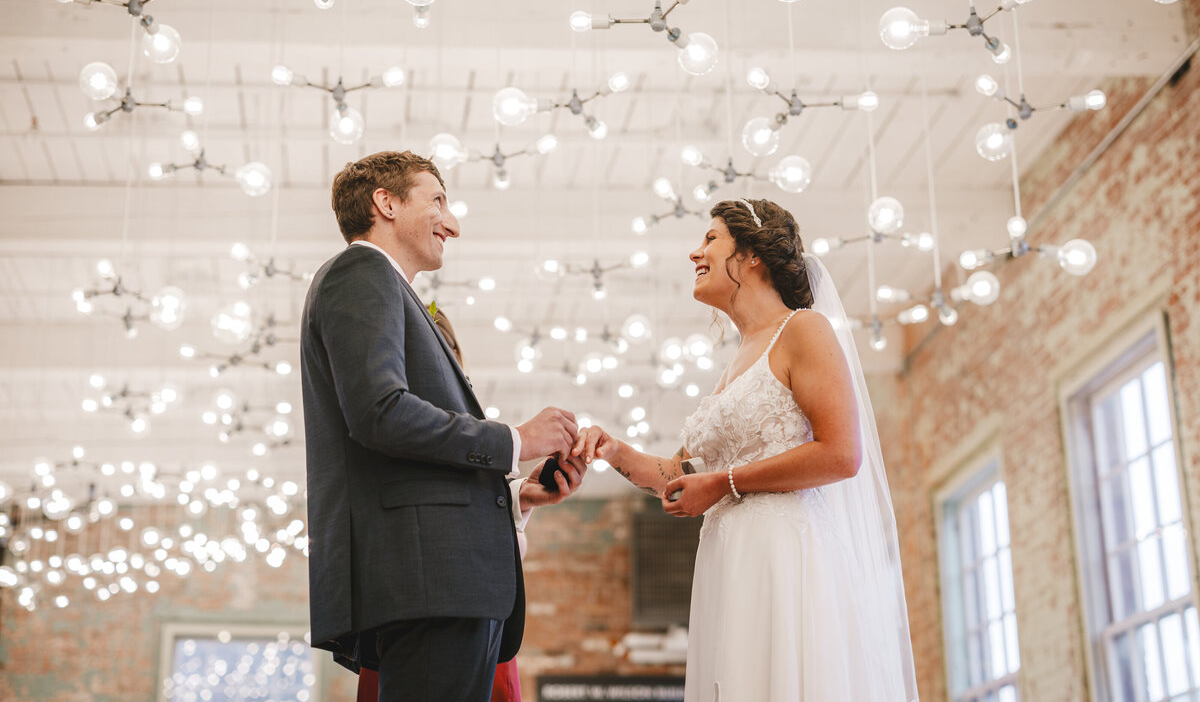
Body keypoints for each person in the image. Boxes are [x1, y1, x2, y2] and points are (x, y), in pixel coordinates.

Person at [574, 198, 919, 701]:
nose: (696, 252)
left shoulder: (803, 329)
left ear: (753, 254)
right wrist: (611, 448)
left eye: (710, 239)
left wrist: (722, 483)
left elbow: (842, 453)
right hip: (729, 560)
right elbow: (677, 472)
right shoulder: (734, 363)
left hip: (784, 554)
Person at [301, 150, 582, 702]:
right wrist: (516, 439)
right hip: (430, 580)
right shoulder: (361, 272)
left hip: (441, 579)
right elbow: (380, 413)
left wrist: (514, 496)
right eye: (437, 201)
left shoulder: (389, 287)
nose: (452, 223)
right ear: (386, 203)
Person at [354, 306, 585, 702]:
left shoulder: (467, 446)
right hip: (428, 627)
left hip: (485, 633)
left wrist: (519, 499)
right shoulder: (398, 440)